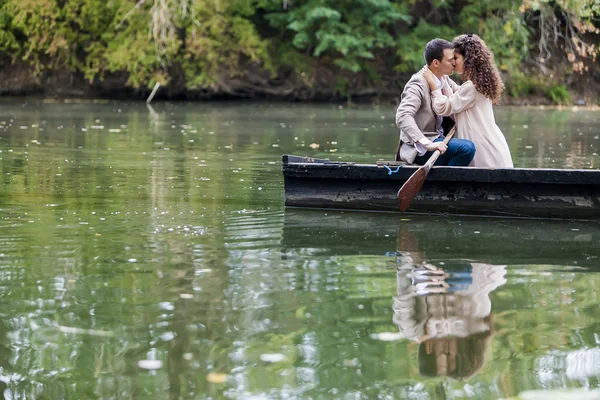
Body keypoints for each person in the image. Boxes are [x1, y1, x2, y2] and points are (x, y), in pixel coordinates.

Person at [423, 34, 513, 168]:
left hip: (485, 149)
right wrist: (443, 78)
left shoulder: (472, 87)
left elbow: (443, 107)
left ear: (468, 59)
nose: (453, 62)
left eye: (456, 58)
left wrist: (433, 85)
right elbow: (456, 95)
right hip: (490, 142)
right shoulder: (479, 84)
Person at [395, 39, 476, 166]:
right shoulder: (417, 83)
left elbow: (462, 95)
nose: (454, 63)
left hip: (441, 141)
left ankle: (445, 179)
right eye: (450, 60)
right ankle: (447, 185)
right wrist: (428, 144)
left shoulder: (444, 79)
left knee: (474, 144)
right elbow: (403, 116)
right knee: (466, 148)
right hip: (421, 150)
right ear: (436, 63)